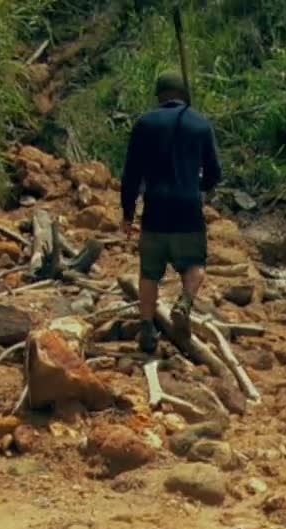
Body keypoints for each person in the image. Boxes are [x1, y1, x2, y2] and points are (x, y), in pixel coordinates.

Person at [120, 72, 222, 352]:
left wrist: (128, 214)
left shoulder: (144, 124)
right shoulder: (200, 124)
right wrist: (197, 187)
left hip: (155, 210)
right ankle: (185, 302)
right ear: (184, 93)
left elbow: (131, 175)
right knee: (195, 265)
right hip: (188, 209)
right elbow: (215, 173)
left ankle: (147, 329)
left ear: (160, 95)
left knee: (149, 273)